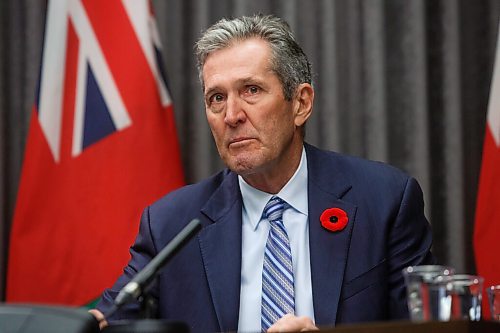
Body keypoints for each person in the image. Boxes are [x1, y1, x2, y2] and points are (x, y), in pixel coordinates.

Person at [91, 14, 434, 332]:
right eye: (216, 98)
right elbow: (108, 319)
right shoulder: (170, 225)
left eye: (251, 90)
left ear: (300, 103)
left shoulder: (383, 202)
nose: (232, 115)